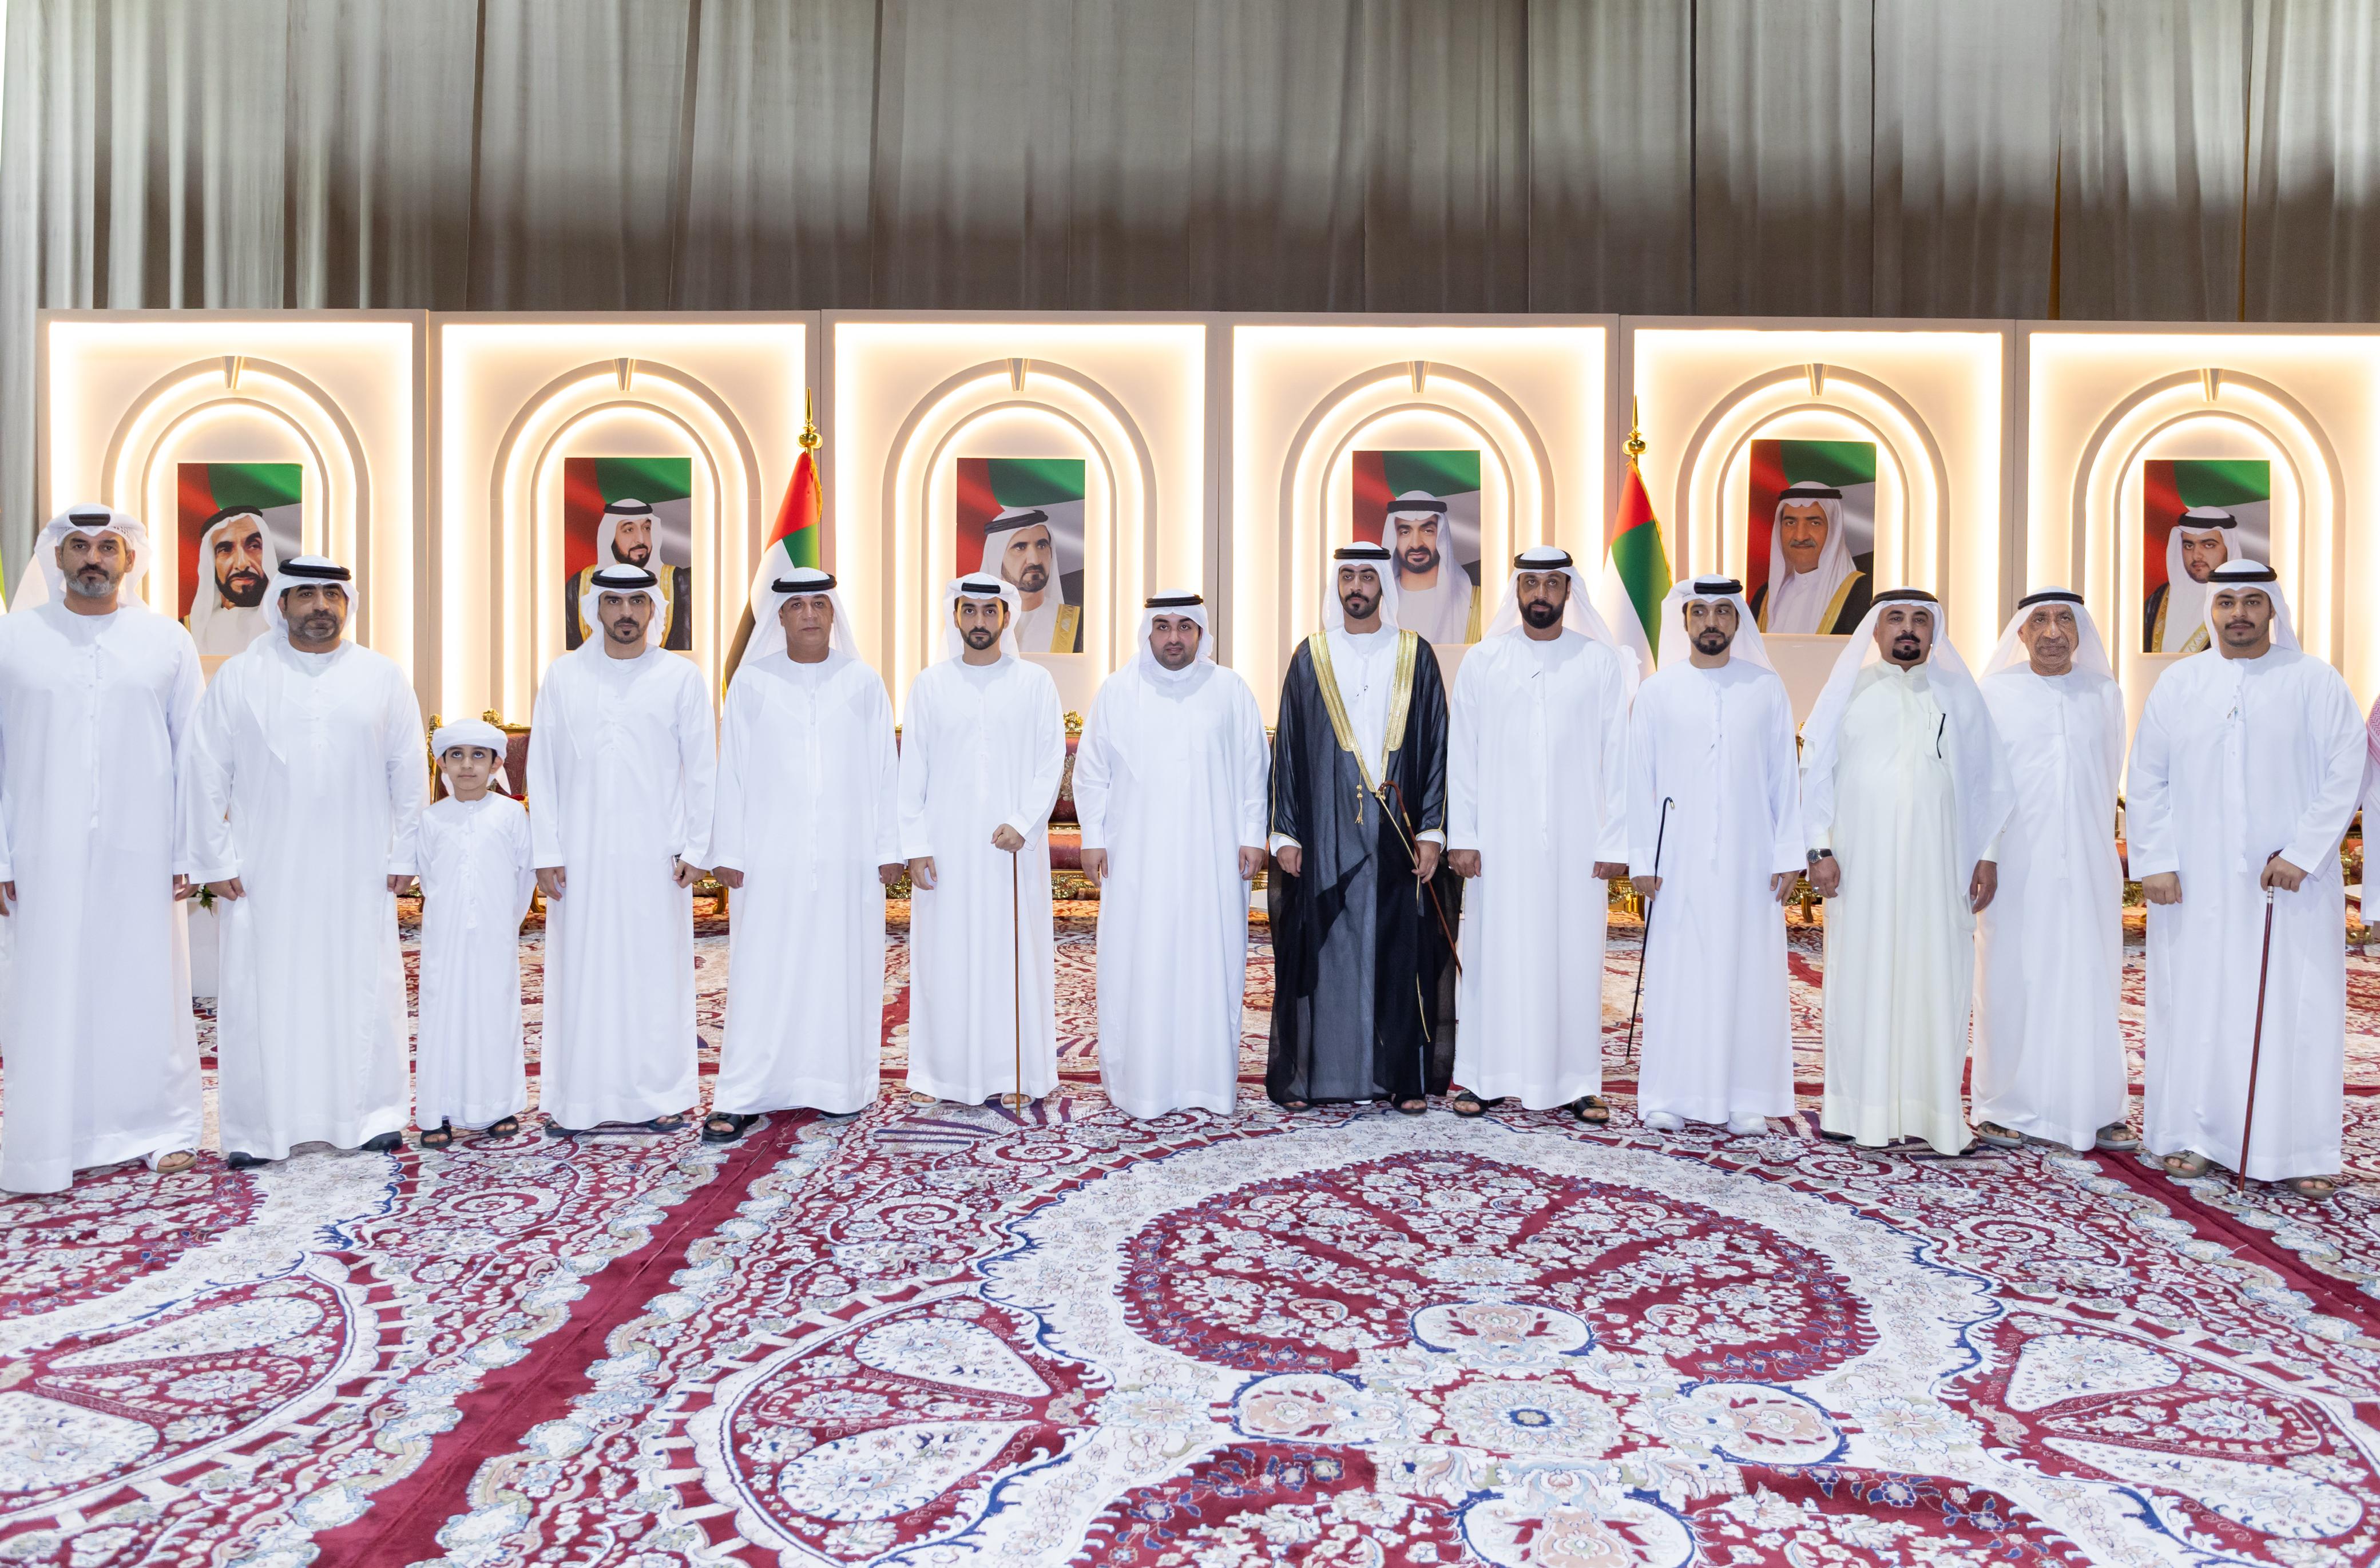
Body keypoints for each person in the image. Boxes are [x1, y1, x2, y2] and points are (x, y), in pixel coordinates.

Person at [2128, 561, 2362, 1200]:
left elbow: (2346, 772)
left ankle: (2299, 1148)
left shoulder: (2314, 680)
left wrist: (2304, 853)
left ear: (2272, 609)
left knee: (2295, 1008)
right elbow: (2146, 775)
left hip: (2287, 885)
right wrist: (2155, 859)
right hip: (2194, 883)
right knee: (2195, 1003)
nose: (2238, 613)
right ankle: (2194, 1135)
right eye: (2226, 600)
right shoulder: (2180, 682)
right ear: (2212, 609)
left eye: (2252, 601)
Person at [186, 556, 425, 1168]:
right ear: (283, 603)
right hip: (265, 870)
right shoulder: (242, 677)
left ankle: (371, 1116)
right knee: (262, 990)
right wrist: (213, 857)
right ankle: (258, 1127)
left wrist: (406, 850)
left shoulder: (381, 675)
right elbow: (206, 770)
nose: (320, 605)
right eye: (307, 594)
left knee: (361, 983)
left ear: (348, 602)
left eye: (331, 594)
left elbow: (407, 770)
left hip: (358, 866)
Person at [0, 506, 204, 1192]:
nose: (94, 558)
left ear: (129, 558)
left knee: (145, 981)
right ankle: (50, 1136)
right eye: (79, 546)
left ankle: (159, 1126)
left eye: (107, 546)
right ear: (56, 558)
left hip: (143, 847)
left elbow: (192, 751)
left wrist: (188, 849)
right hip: (41, 847)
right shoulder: (13, 639)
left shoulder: (166, 641)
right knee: (47, 987)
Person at [1800, 589, 2012, 1155]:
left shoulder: (1957, 695)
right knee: (1860, 976)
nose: (1908, 628)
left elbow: (1989, 782)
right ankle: (1853, 1109)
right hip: (1860, 864)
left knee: (1935, 978)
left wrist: (1987, 853)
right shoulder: (1848, 691)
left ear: (1934, 630)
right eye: (1895, 618)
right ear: (1875, 629)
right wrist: (1818, 850)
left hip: (1939, 867)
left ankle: (1933, 1112)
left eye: (1920, 619)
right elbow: (1814, 772)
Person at [707, 569, 902, 1136]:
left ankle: (838, 1085)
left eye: (820, 603)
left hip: (847, 858)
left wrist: (888, 846)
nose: (810, 613)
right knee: (761, 970)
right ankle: (744, 1090)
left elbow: (884, 771)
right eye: (797, 606)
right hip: (769, 858)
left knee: (840, 967)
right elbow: (731, 772)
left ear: (833, 612)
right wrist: (728, 847)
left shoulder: (862, 682)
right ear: (781, 617)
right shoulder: (752, 684)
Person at [1267, 542, 1461, 1112]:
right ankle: (1319, 1074)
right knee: (1325, 947)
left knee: (1400, 950)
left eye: (1367, 576)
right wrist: (1286, 833)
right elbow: (1289, 749)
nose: (1357, 586)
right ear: (1337, 584)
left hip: (1397, 829)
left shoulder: (1415, 654)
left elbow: (1436, 746)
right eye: (1348, 575)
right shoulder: (1311, 656)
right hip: (1326, 828)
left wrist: (1432, 830)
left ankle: (1402, 1078)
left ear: (1383, 584)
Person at [528, 563, 716, 1136]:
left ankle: (661, 1094)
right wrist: (546, 850)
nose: (627, 612)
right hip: (579, 856)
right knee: (580, 971)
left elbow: (702, 769)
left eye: (638, 601)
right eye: (615, 601)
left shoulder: (680, 678)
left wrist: (697, 845)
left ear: (654, 608)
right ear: (596, 608)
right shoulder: (562, 676)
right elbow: (543, 770)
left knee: (654, 973)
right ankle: (577, 1099)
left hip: (655, 855)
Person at [1444, 547, 1631, 1120]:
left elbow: (1618, 757)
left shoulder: (1599, 662)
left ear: (1568, 590)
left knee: (1574, 958)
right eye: (1531, 583)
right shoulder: (1483, 660)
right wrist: (1463, 835)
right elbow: (1463, 754)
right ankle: (1484, 1076)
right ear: (1517, 590)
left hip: (1577, 842)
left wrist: (1615, 840)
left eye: (1552, 583)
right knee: (1493, 955)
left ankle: (1577, 1081)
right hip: (1498, 843)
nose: (1541, 594)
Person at [1072, 591, 1269, 1117]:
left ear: (1201, 632)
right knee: (1140, 962)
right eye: (1163, 626)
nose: (1174, 637)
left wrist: (1254, 834)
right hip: (1137, 860)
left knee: (1211, 963)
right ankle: (1141, 1084)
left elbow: (1255, 767)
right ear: (1148, 631)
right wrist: (1092, 836)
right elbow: (1091, 772)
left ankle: (1207, 1083)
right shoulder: (1118, 691)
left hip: (1213, 860)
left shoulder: (1230, 690)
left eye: (1185, 626)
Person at [1627, 577, 1802, 1137]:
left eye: (1723, 611)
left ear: (1737, 620)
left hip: (1751, 858)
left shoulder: (1765, 688)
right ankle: (1667, 1095)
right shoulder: (1657, 691)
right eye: (1699, 611)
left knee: (1749, 974)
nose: (1711, 622)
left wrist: (1788, 851)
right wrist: (1642, 857)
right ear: (1684, 621)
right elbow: (1638, 779)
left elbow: (1784, 776)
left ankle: (1746, 1095)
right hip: (1676, 859)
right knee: (1678, 974)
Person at [1972, 591, 2133, 1154]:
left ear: (2080, 630)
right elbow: (1983, 781)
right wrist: (1985, 852)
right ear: (2020, 633)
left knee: (2091, 975)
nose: (2052, 632)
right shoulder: (1996, 693)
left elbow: (2107, 777)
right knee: (2012, 976)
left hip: (2089, 862)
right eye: (2038, 620)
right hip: (2015, 860)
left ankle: (2096, 1106)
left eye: (2064, 619)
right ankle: (2004, 1104)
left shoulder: (2104, 694)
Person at [898, 575, 1068, 1103]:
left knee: (1013, 958)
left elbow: (1050, 761)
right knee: (943, 960)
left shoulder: (1035, 683)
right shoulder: (929, 685)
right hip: (946, 850)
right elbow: (912, 772)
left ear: (1006, 617)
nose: (979, 621)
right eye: (968, 610)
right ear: (955, 616)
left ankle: (1017, 1074)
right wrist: (915, 845)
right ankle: (937, 1075)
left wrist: (1024, 821)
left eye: (988, 611)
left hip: (1012, 850)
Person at [414, 720, 536, 1149]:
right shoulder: (431, 819)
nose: (467, 765)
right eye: (457, 756)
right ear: (442, 764)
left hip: (495, 934)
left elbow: (525, 876)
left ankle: (499, 1106)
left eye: (478, 756)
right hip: (444, 938)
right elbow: (428, 878)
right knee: (443, 1016)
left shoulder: (511, 814)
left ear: (496, 764)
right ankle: (439, 1111)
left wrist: (502, 921)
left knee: (494, 1014)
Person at [565, 498, 692, 651]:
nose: (641, 539)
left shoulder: (677, 581)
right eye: (629, 530)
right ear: (610, 536)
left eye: (646, 528)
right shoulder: (579, 585)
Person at [1751, 480, 1871, 635]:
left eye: (1814, 523)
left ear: (1834, 530)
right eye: (1790, 523)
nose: (1800, 536)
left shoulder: (1863, 594)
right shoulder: (1764, 597)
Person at [1386, 491, 1480, 645]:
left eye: (1427, 531)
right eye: (1405, 532)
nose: (1416, 544)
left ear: (1441, 536)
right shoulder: (1379, 604)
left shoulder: (1474, 603)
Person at [983, 507, 1082, 653]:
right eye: (1020, 547)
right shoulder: (973, 624)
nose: (1035, 560)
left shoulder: (1079, 624)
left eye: (1042, 546)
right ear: (997, 558)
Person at [185, 507, 279, 656]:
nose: (242, 564)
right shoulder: (186, 632)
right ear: (212, 563)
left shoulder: (290, 626)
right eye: (225, 550)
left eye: (254, 546)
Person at [2144, 506, 2236, 654]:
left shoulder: (2242, 601)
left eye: (2209, 545)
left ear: (2229, 548)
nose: (2196, 556)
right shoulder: (2159, 598)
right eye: (2188, 546)